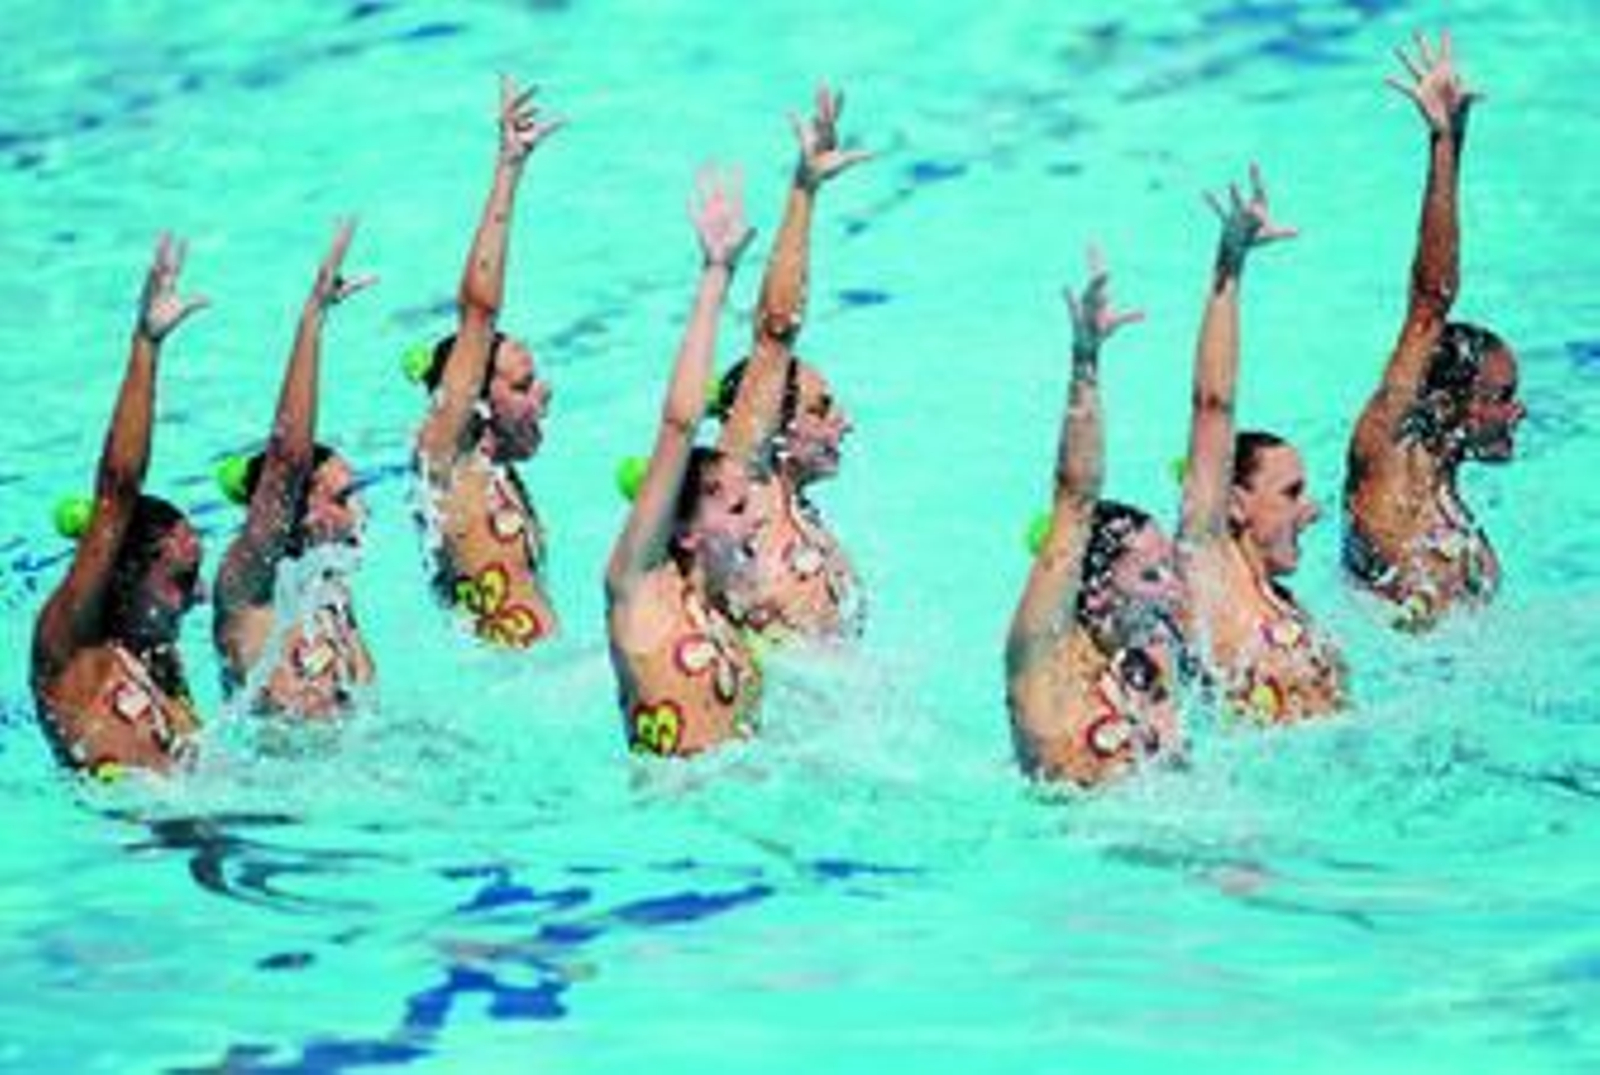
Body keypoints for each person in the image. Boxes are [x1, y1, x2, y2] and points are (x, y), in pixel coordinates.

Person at [1344, 31, 1523, 631]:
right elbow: (1429, 302)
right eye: (1500, 398)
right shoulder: (1390, 465)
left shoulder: (1452, 502)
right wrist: (1443, 143)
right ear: (1450, 402)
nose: (1518, 412)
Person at [31, 235, 209, 776]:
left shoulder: (158, 656)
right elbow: (117, 489)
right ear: (125, 573)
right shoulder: (72, 652)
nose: (200, 596)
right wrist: (146, 346)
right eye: (183, 578)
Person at [1005, 253, 1185, 788]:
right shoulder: (1043, 669)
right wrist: (1085, 362)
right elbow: (1075, 499)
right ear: (1099, 592)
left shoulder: (1146, 662)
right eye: (1152, 576)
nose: (1176, 590)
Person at [605, 166, 766, 758]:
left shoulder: (725, 610)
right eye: (739, 508)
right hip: (663, 842)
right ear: (687, 532)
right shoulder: (640, 593)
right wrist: (716, 276)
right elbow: (679, 425)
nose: (757, 521)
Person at [1178, 166, 1345, 723]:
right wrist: (1229, 268)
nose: (1313, 510)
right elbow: (1212, 406)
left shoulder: (1288, 606)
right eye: (1291, 493)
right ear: (1234, 503)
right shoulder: (1212, 575)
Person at [714, 85, 869, 640]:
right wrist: (804, 192)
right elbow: (775, 333)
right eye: (822, 410)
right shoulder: (744, 495)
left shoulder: (804, 517)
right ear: (769, 427)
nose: (844, 423)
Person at [414, 76, 561, 648]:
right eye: (523, 385)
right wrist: (509, 170)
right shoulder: (448, 462)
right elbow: (479, 309)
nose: (543, 395)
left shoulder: (500, 472)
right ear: (476, 397)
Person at [212, 221, 377, 718]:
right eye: (343, 497)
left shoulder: (327, 589)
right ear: (299, 508)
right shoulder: (249, 591)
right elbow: (287, 459)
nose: (361, 511)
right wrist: (313, 320)